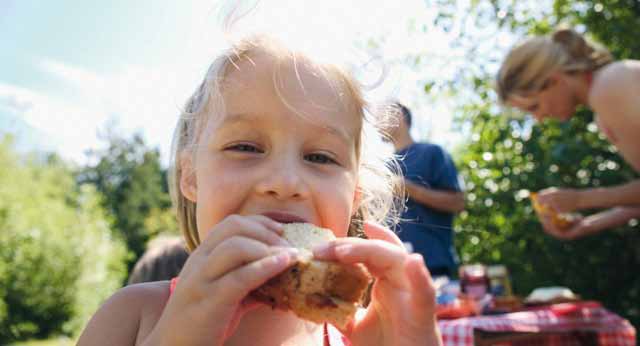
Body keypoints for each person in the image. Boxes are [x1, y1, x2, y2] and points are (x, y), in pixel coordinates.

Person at [77, 35, 442, 346]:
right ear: (191, 177)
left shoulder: (364, 335)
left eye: (320, 156)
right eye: (246, 148)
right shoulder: (132, 316)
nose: (284, 182)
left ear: (355, 195)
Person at [497, 28, 640, 240]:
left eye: (535, 106)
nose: (540, 118)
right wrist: (588, 225)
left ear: (553, 80)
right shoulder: (604, 101)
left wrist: (580, 199)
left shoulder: (609, 86)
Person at [388, 102, 465, 278]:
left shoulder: (432, 153)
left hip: (433, 267)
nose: (376, 121)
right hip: (392, 270)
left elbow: (458, 202)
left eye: (381, 114)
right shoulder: (384, 166)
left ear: (399, 115)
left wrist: (409, 189)